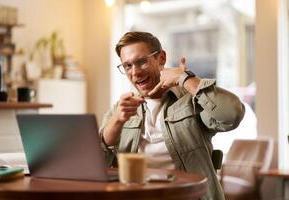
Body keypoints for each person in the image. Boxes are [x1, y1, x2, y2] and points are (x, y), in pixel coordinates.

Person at [99, 31, 245, 200]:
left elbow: (232, 114)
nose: (135, 72)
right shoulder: (120, 109)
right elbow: (94, 167)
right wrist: (117, 121)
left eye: (141, 62)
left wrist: (185, 78)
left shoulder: (191, 100)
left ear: (161, 58)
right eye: (128, 66)